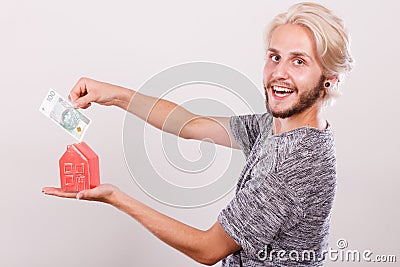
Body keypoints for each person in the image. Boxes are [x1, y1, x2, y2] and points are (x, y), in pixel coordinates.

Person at [42, 2, 353, 266]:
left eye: (298, 61)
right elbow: (190, 125)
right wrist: (110, 94)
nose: (278, 73)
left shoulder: (299, 162)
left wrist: (115, 197)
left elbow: (209, 248)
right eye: (275, 57)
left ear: (328, 79)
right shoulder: (274, 127)